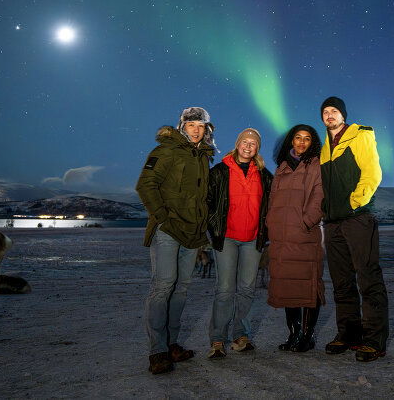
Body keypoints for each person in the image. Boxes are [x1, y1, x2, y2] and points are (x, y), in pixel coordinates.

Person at [136, 107, 215, 374]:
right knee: (163, 287)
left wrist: (204, 225)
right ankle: (157, 350)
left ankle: (172, 344)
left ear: (206, 130)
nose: (196, 129)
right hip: (168, 230)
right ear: (182, 127)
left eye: (200, 126)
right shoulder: (166, 150)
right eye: (191, 124)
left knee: (181, 290)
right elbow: (145, 185)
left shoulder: (204, 156)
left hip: (192, 234)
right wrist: (162, 218)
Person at [319, 96, 389, 362]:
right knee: (341, 282)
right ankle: (349, 334)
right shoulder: (325, 148)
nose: (329, 115)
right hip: (333, 222)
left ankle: (374, 340)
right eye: (325, 112)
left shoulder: (360, 135)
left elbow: (373, 173)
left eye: (334, 111)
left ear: (343, 115)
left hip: (357, 218)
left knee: (368, 279)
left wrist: (354, 201)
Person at [206, 128, 273, 359]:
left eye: (253, 144)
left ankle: (241, 335)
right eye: (244, 142)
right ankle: (217, 339)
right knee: (225, 289)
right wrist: (214, 228)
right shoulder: (220, 171)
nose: (248, 146)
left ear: (257, 149)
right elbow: (208, 203)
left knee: (246, 289)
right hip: (227, 238)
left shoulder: (264, 175)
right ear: (237, 144)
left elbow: (272, 206)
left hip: (253, 239)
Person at [266, 124, 325, 352]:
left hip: (304, 235)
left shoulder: (316, 165)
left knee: (309, 285)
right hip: (281, 236)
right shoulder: (281, 167)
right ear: (291, 140)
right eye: (297, 138)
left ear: (313, 143)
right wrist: (271, 221)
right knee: (287, 286)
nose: (301, 142)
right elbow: (273, 199)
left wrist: (306, 221)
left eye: (307, 139)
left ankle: (307, 336)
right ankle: (294, 334)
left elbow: (320, 195)